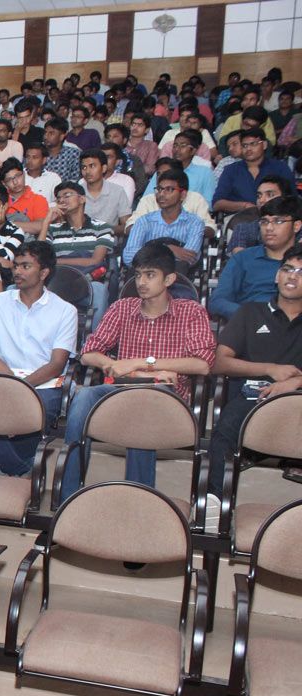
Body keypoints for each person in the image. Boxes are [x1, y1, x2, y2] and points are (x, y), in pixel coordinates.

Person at [58, 243, 216, 500]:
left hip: (166, 396)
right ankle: (68, 495)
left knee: (145, 400)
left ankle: (139, 496)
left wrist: (141, 364)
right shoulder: (122, 308)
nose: (141, 282)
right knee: (83, 396)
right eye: (139, 275)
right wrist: (113, 365)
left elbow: (202, 364)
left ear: (169, 279)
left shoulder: (191, 311)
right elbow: (88, 353)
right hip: (121, 388)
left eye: (150, 275)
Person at [0, 241, 77, 475]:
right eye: (16, 265)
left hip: (44, 384)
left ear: (44, 273)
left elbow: (57, 364)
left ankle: (12, 467)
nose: (17, 271)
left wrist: (21, 388)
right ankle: (24, 469)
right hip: (3, 378)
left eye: (25, 266)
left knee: (21, 417)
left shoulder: (65, 310)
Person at [206, 248, 302, 511]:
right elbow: (219, 362)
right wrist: (271, 369)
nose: (292, 276)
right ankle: (214, 504)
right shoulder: (250, 312)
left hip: (298, 400)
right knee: (225, 428)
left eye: (301, 272)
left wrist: (296, 382)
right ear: (276, 276)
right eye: (287, 269)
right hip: (254, 395)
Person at [210, 196, 302, 320]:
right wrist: (251, 316)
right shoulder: (243, 259)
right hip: (249, 323)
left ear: (296, 226)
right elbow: (217, 302)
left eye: (278, 221)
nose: (269, 228)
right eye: (264, 222)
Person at [40, 180, 115, 330]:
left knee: (99, 290)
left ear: (82, 199)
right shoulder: (53, 229)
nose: (62, 200)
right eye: (58, 198)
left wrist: (56, 262)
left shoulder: (102, 228)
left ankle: (94, 341)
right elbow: (39, 258)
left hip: (85, 283)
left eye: (67, 195)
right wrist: (46, 223)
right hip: (54, 283)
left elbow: (96, 260)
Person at [121, 168, 205, 267]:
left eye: (169, 189)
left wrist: (148, 253)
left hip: (178, 275)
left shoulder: (195, 223)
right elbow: (129, 256)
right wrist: (168, 249)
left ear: (183, 195)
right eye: (159, 189)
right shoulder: (144, 221)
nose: (161, 194)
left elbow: (189, 258)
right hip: (146, 274)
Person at [213, 128, 293, 213]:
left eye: (253, 144)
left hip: (275, 215)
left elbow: (292, 199)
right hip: (239, 216)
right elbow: (217, 204)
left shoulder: (280, 168)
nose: (248, 149)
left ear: (264, 145)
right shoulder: (231, 170)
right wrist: (244, 206)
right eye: (244, 145)